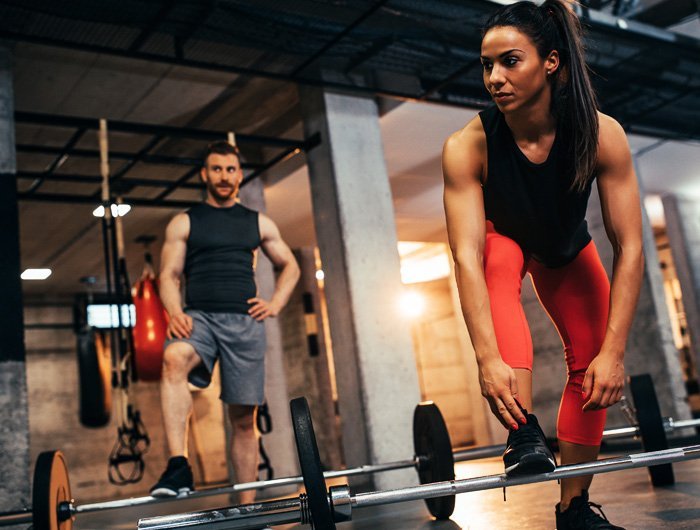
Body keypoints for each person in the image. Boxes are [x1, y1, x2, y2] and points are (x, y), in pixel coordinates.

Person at [442, 1, 643, 528]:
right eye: (487, 65)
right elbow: (465, 256)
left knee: (593, 362)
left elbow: (630, 247)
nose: (494, 78)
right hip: (502, 242)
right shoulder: (468, 145)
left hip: (565, 249)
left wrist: (615, 352)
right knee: (495, 258)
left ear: (551, 62)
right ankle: (523, 432)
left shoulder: (602, 134)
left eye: (510, 61)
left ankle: (573, 508)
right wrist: (487, 359)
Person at [150, 141, 300, 503]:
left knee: (244, 421)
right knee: (173, 358)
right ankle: (178, 466)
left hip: (244, 322)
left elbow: (290, 266)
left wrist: (275, 304)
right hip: (198, 317)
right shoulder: (185, 221)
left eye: (230, 169)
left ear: (239, 175)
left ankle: (246, 509)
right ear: (204, 174)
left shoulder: (257, 222)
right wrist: (175, 313)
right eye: (216, 169)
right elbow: (168, 275)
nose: (224, 176)